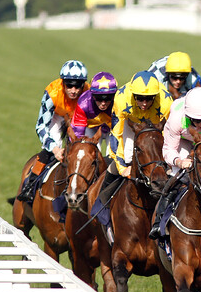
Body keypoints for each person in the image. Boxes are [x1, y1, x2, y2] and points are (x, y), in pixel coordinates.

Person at [149, 87, 201, 238]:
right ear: (188, 115)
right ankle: (158, 222)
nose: (200, 125)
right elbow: (168, 150)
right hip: (185, 142)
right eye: (196, 120)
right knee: (176, 176)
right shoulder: (176, 119)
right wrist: (180, 161)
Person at [91, 71, 172, 218]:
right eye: (140, 99)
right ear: (133, 95)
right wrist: (122, 168)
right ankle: (102, 203)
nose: (144, 103)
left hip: (155, 127)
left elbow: (170, 136)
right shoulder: (121, 99)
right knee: (127, 157)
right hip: (130, 124)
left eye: (149, 99)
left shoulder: (166, 102)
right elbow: (116, 135)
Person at [17, 60, 89, 202]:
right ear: (62, 83)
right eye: (69, 85)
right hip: (57, 115)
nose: (73, 90)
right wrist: (55, 149)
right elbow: (41, 126)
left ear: (83, 85)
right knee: (52, 146)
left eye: (78, 85)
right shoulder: (52, 92)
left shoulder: (88, 92)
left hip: (77, 117)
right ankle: (30, 185)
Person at [71, 71, 117, 142]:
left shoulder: (119, 102)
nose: (103, 103)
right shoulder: (83, 103)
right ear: (92, 95)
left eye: (108, 98)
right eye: (99, 98)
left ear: (114, 96)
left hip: (113, 128)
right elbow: (78, 130)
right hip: (91, 128)